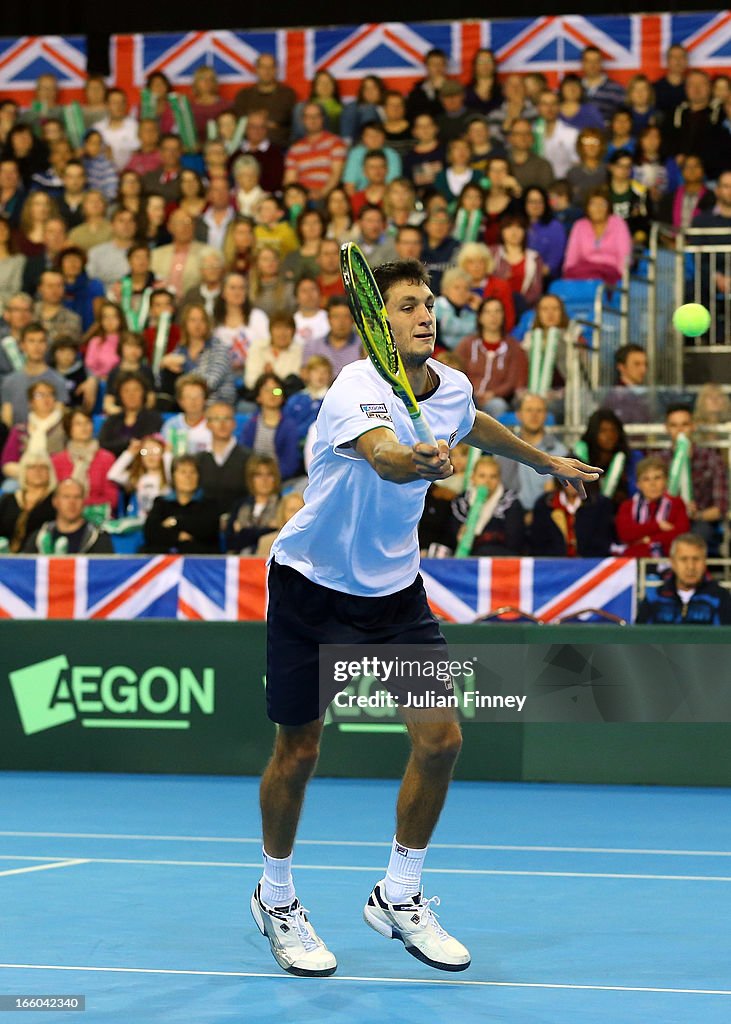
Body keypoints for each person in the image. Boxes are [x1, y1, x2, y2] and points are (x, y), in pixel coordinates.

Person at [254, 257, 600, 978]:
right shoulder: (355, 387)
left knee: (441, 741)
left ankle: (399, 894)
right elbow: (382, 456)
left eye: (428, 303)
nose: (425, 314)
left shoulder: (450, 387)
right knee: (300, 751)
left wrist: (541, 460)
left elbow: (469, 421)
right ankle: (276, 896)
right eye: (408, 303)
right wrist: (415, 462)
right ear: (377, 320)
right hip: (311, 587)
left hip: (393, 594)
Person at [658, 404, 729, 551]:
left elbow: (721, 507)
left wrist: (698, 514)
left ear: (693, 426)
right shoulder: (659, 461)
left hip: (699, 522)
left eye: (685, 424)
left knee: (699, 536)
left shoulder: (712, 459)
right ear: (666, 428)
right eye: (674, 425)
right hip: (666, 519)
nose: (680, 430)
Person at [495, 392, 568, 517]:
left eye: (539, 411)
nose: (534, 415)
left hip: (544, 516)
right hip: (507, 515)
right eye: (529, 410)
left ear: (546, 415)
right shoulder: (504, 448)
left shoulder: (560, 451)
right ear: (519, 415)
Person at [636, 533, 731, 625]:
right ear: (673, 562)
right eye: (684, 559)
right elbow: (639, 638)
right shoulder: (654, 597)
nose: (690, 567)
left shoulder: (721, 598)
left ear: (704, 562)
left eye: (696, 559)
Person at [455, 296, 528, 416]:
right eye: (488, 312)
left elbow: (513, 381)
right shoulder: (467, 344)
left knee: (497, 406)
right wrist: (471, 392)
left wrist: (493, 394)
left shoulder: (514, 347)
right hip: (468, 396)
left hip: (496, 399)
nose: (493, 316)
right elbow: (456, 372)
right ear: (480, 317)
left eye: (497, 311)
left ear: (503, 316)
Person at [159, 301, 236, 407]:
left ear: (207, 324)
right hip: (187, 404)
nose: (197, 324)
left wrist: (185, 363)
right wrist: (164, 364)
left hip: (216, 404)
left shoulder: (219, 348)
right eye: (193, 320)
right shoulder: (181, 349)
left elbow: (209, 383)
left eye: (202, 320)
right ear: (185, 324)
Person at [142, 454, 220, 554]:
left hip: (199, 561)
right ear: (173, 476)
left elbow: (206, 530)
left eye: (193, 472)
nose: (188, 476)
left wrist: (175, 522)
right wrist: (177, 536)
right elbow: (151, 532)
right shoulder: (161, 503)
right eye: (183, 472)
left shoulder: (209, 504)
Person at [615, 455, 690, 558]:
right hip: (633, 560)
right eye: (646, 479)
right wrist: (658, 526)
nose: (652, 484)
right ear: (638, 484)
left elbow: (679, 535)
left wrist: (648, 540)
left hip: (668, 559)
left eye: (657, 478)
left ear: (666, 481)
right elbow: (625, 533)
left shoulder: (677, 504)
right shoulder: (627, 506)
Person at [23, 476, 114, 554]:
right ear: (55, 502)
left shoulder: (96, 537)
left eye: (77, 497)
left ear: (84, 501)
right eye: (66, 497)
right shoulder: (40, 536)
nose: (72, 502)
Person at [563, 187, 632, 288]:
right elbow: (571, 258)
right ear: (587, 207)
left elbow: (625, 256)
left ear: (609, 207)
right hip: (584, 273)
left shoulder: (618, 223)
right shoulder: (579, 225)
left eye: (602, 204)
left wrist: (623, 279)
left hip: (610, 274)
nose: (598, 208)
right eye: (593, 204)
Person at [1, 322, 66, 427]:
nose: (37, 346)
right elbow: (7, 420)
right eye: (31, 341)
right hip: (18, 439)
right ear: (22, 345)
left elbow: (59, 419)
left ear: (46, 345)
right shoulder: (9, 382)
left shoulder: (58, 380)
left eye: (41, 341)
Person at [239, 372, 302, 480]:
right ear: (258, 397)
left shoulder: (289, 426)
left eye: (277, 390)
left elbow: (290, 463)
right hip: (253, 479)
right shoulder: (250, 425)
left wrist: (270, 478)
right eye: (266, 390)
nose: (272, 394)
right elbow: (243, 457)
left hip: (280, 480)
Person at [51, 408, 117, 510]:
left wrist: (79, 505)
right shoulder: (57, 460)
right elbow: (55, 497)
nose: (84, 427)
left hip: (97, 514)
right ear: (69, 429)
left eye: (87, 422)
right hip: (65, 515)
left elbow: (112, 498)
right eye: (78, 424)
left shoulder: (107, 458)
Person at [531, 477, 615, 557]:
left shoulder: (600, 505)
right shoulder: (544, 504)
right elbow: (538, 542)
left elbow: (603, 539)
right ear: (560, 479)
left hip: (589, 563)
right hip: (554, 564)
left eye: (577, 479)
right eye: (568, 479)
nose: (572, 483)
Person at [1, 379, 66, 479]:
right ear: (30, 402)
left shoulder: (66, 426)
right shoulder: (20, 430)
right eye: (40, 395)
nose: (46, 398)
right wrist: (29, 474)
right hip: (22, 476)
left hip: (57, 476)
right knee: (8, 488)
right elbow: (7, 462)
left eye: (50, 394)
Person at [283, 104, 347, 203]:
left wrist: (321, 193)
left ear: (323, 119)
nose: (313, 120)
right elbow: (290, 180)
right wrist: (296, 196)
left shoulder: (336, 143)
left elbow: (336, 175)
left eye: (316, 116)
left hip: (326, 195)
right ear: (302, 120)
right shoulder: (295, 149)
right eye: (308, 117)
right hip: (301, 197)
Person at [195, 402, 250, 516]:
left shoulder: (249, 458)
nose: (222, 424)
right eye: (216, 419)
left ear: (234, 424)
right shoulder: (198, 460)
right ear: (208, 425)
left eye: (227, 419)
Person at [233, 54, 297, 150]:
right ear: (256, 70)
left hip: (280, 146)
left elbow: (287, 120)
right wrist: (269, 123)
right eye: (263, 67)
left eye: (270, 67)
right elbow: (242, 123)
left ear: (276, 70)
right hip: (248, 148)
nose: (267, 71)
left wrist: (255, 121)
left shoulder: (287, 94)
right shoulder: (244, 95)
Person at [212, 271, 269, 374]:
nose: (237, 292)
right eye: (233, 288)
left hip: (254, 373)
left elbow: (267, 346)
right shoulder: (213, 321)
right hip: (222, 376)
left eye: (241, 288)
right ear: (223, 293)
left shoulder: (258, 317)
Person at [97, 371, 162, 459]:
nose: (131, 395)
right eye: (126, 390)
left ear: (144, 393)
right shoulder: (112, 420)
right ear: (120, 394)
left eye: (136, 390)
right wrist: (128, 443)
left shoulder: (153, 418)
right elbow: (104, 445)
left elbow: (146, 447)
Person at [0, 450, 56, 551]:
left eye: (43, 467)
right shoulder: (8, 499)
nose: (38, 471)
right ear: (23, 471)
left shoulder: (56, 500)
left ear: (50, 472)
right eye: (32, 467)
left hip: (39, 556)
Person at [225, 453, 280, 553]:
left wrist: (243, 531)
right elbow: (230, 542)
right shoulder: (240, 505)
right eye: (259, 475)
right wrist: (267, 530)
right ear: (251, 479)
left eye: (269, 474)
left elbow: (278, 539)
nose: (264, 480)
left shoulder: (282, 504)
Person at [107, 434, 172, 520]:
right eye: (145, 451)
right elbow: (113, 475)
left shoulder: (168, 477)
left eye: (155, 451)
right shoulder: (138, 478)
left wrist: (168, 455)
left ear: (162, 454)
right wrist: (130, 453)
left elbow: (169, 471)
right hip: (142, 523)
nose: (150, 455)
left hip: (163, 520)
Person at [300, 296, 361, 379]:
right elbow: (305, 376)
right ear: (329, 319)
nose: (341, 322)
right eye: (336, 316)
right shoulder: (312, 347)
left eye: (346, 316)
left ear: (353, 320)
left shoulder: (363, 347)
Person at [245, 312, 304, 393]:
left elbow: (293, 383)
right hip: (259, 397)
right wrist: (267, 381)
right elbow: (250, 382)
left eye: (287, 328)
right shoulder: (257, 347)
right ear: (270, 330)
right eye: (278, 328)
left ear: (293, 331)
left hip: (287, 397)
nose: (282, 333)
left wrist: (271, 377)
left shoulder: (299, 351)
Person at [523, 186, 567, 281]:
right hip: (521, 274)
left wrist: (537, 273)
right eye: (531, 201)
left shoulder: (555, 226)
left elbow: (555, 260)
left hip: (546, 278)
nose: (536, 205)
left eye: (540, 201)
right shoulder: (518, 225)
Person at [162, 374, 212, 455]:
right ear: (180, 401)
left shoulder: (213, 425)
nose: (193, 401)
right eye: (188, 397)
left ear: (205, 399)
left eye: (198, 396)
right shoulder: (171, 425)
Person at [580, 45, 626, 123]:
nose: (592, 65)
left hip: (606, 133)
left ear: (601, 63)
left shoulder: (616, 89)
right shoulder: (574, 88)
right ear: (583, 63)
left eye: (596, 61)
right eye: (588, 61)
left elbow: (624, 117)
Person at [507, 119, 554, 193]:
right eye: (518, 133)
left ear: (532, 138)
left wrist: (516, 189)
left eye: (527, 133)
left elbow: (545, 195)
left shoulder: (543, 165)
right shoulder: (501, 163)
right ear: (510, 138)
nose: (523, 137)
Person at [565, 128, 609, 207]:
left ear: (601, 145)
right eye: (587, 142)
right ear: (580, 146)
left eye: (595, 142)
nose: (591, 146)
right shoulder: (572, 172)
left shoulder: (608, 170)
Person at [255, 493, 306, 558]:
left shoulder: (314, 542)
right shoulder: (267, 542)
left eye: (301, 509)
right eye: (292, 510)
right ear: (283, 514)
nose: (297, 514)